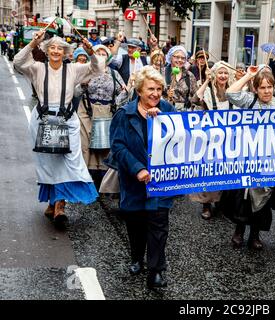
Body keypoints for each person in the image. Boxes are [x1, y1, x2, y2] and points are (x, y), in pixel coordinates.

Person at [13, 30, 102, 229]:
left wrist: (91, 52)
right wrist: (33, 43)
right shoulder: (36, 68)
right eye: (52, 47)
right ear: (46, 50)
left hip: (67, 119)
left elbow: (97, 69)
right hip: (43, 120)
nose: (55, 51)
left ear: (65, 52)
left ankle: (61, 205)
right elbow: (18, 62)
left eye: (59, 48)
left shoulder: (74, 69)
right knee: (49, 163)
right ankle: (54, 203)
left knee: (70, 161)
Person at [109, 66, 176, 289]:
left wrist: (161, 121)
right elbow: (118, 147)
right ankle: (137, 257)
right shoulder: (124, 114)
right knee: (136, 225)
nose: (156, 94)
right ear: (139, 90)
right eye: (151, 89)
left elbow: (182, 139)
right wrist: (137, 168)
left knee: (158, 226)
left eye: (159, 89)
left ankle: (156, 270)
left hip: (160, 182)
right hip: (134, 182)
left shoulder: (168, 109)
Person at [224, 66, 275, 250]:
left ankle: (255, 234)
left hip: (269, 160)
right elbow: (230, 93)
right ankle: (238, 232)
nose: (266, 91)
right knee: (245, 198)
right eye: (262, 87)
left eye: (270, 87)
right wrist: (249, 75)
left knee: (263, 198)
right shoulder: (249, 101)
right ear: (256, 89)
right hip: (248, 158)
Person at [77, 44, 127, 190]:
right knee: (86, 144)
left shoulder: (114, 74)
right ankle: (85, 178)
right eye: (97, 52)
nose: (100, 55)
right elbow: (74, 92)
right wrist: (82, 85)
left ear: (108, 57)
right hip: (86, 110)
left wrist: (126, 90)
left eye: (103, 53)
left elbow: (122, 95)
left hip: (107, 112)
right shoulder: (86, 71)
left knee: (104, 143)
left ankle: (103, 177)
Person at [190, 61, 235, 219]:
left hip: (227, 138)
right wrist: (207, 81)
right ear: (215, 74)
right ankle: (206, 204)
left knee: (223, 172)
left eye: (225, 73)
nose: (223, 76)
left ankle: (219, 202)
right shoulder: (208, 90)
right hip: (209, 138)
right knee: (208, 171)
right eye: (220, 73)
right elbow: (195, 100)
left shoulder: (232, 90)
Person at [165, 45, 197, 111]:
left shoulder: (190, 75)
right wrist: (167, 95)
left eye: (183, 58)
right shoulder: (162, 73)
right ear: (171, 57)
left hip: (184, 113)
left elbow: (195, 97)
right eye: (177, 57)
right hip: (166, 111)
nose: (180, 60)